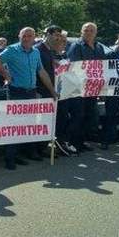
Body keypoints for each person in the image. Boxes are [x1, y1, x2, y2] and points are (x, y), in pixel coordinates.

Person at [0, 27, 58, 170]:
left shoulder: (35, 52)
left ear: (34, 37)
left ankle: (22, 154)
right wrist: (6, 76)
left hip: (31, 92)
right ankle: (10, 158)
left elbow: (41, 71)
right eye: (24, 36)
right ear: (19, 36)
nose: (27, 38)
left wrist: (53, 91)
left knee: (28, 125)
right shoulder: (12, 50)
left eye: (30, 36)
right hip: (16, 92)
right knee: (14, 126)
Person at [35, 27, 78, 157]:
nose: (58, 38)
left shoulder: (51, 50)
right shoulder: (38, 49)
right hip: (43, 90)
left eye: (60, 35)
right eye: (56, 35)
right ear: (48, 34)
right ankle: (40, 149)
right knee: (43, 121)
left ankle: (52, 146)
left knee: (56, 119)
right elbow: (40, 71)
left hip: (54, 91)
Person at [66, 22, 107, 152]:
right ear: (81, 32)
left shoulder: (99, 47)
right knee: (78, 116)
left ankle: (81, 142)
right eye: (86, 30)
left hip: (93, 89)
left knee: (90, 117)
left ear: (95, 33)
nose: (88, 33)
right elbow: (74, 67)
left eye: (91, 30)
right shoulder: (76, 46)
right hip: (78, 89)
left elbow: (103, 67)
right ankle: (73, 143)